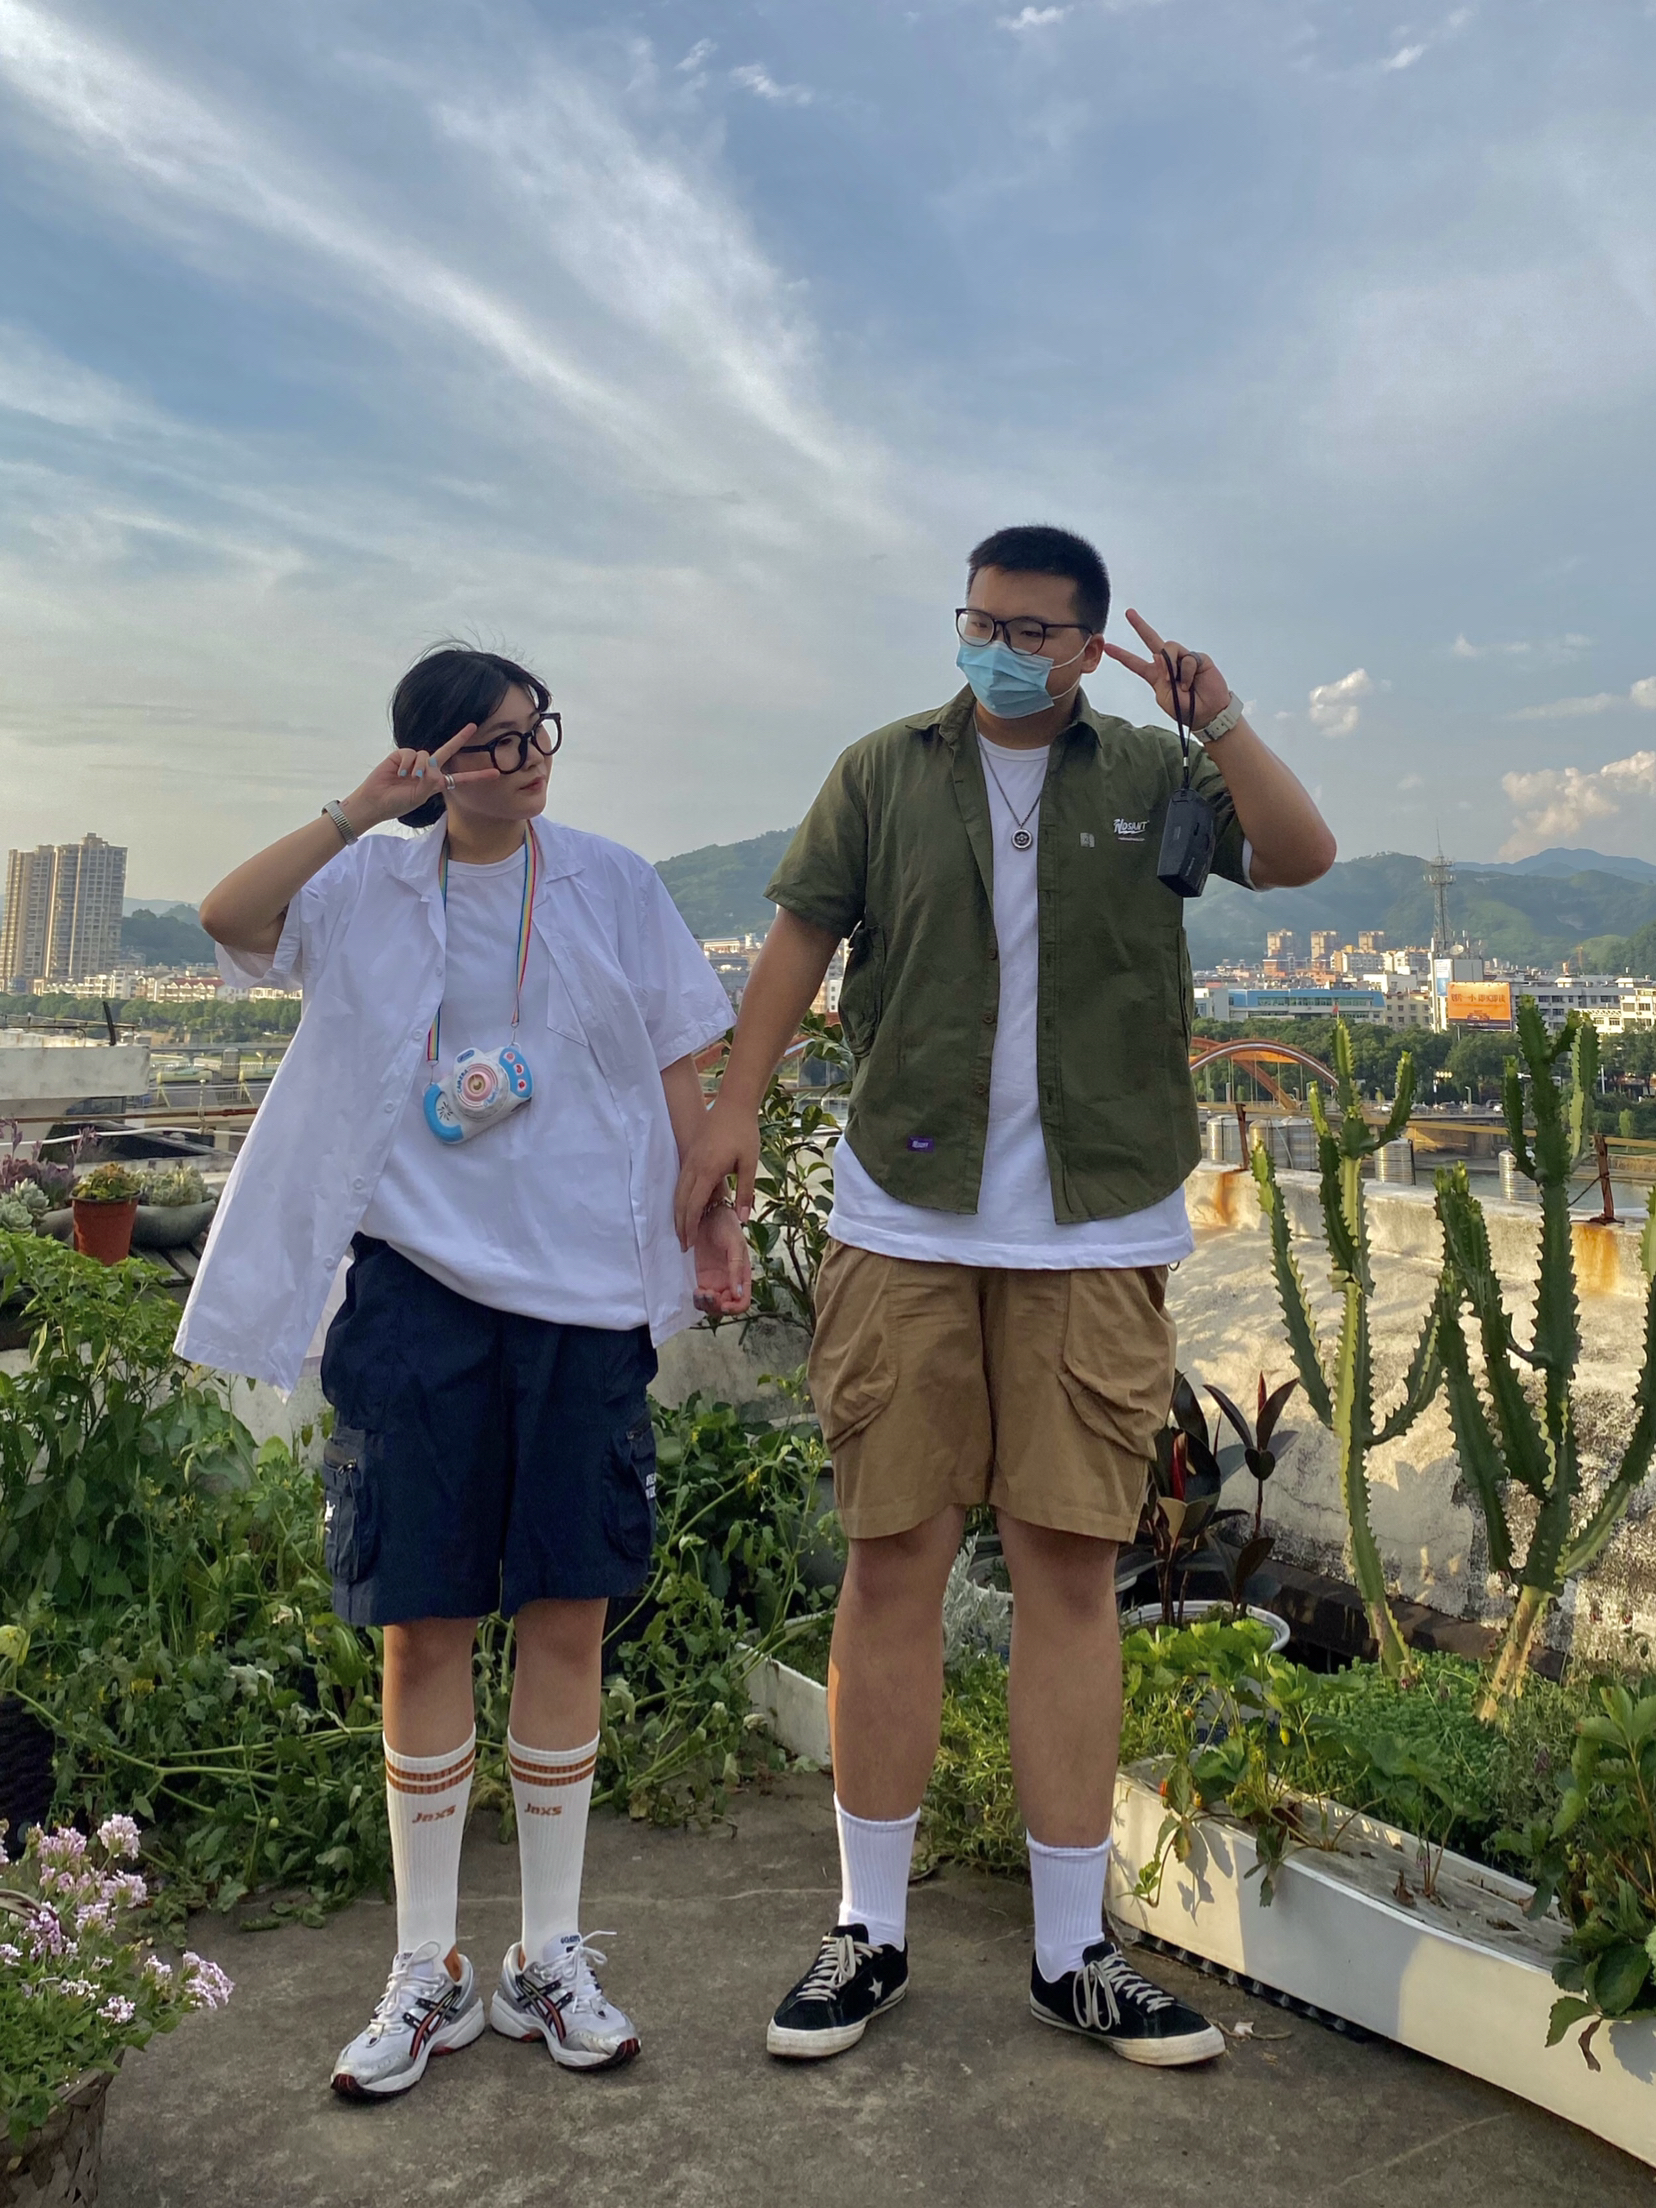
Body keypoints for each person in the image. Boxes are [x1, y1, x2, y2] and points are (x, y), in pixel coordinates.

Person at [674, 524, 1336, 2067]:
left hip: (1095, 1221)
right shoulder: (884, 771)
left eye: (1036, 631)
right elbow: (799, 936)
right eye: (982, 621)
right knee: (892, 1558)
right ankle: (868, 1929)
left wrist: (1222, 716)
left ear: (1091, 646)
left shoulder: (1157, 772)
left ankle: (1069, 1949)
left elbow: (1299, 854)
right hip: (904, 1208)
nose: (1002, 650)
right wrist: (730, 1110)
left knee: (1069, 1577)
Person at [178, 646, 747, 2098]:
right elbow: (229, 916)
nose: (526, 757)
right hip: (414, 1291)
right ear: (432, 758)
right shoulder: (366, 882)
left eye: (535, 730)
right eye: (490, 741)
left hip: (582, 1298)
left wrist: (711, 1217)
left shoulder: (612, 882)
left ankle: (547, 1951)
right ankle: (424, 1964)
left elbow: (682, 1063)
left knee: (567, 1612)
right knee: (420, 1626)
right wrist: (359, 810)